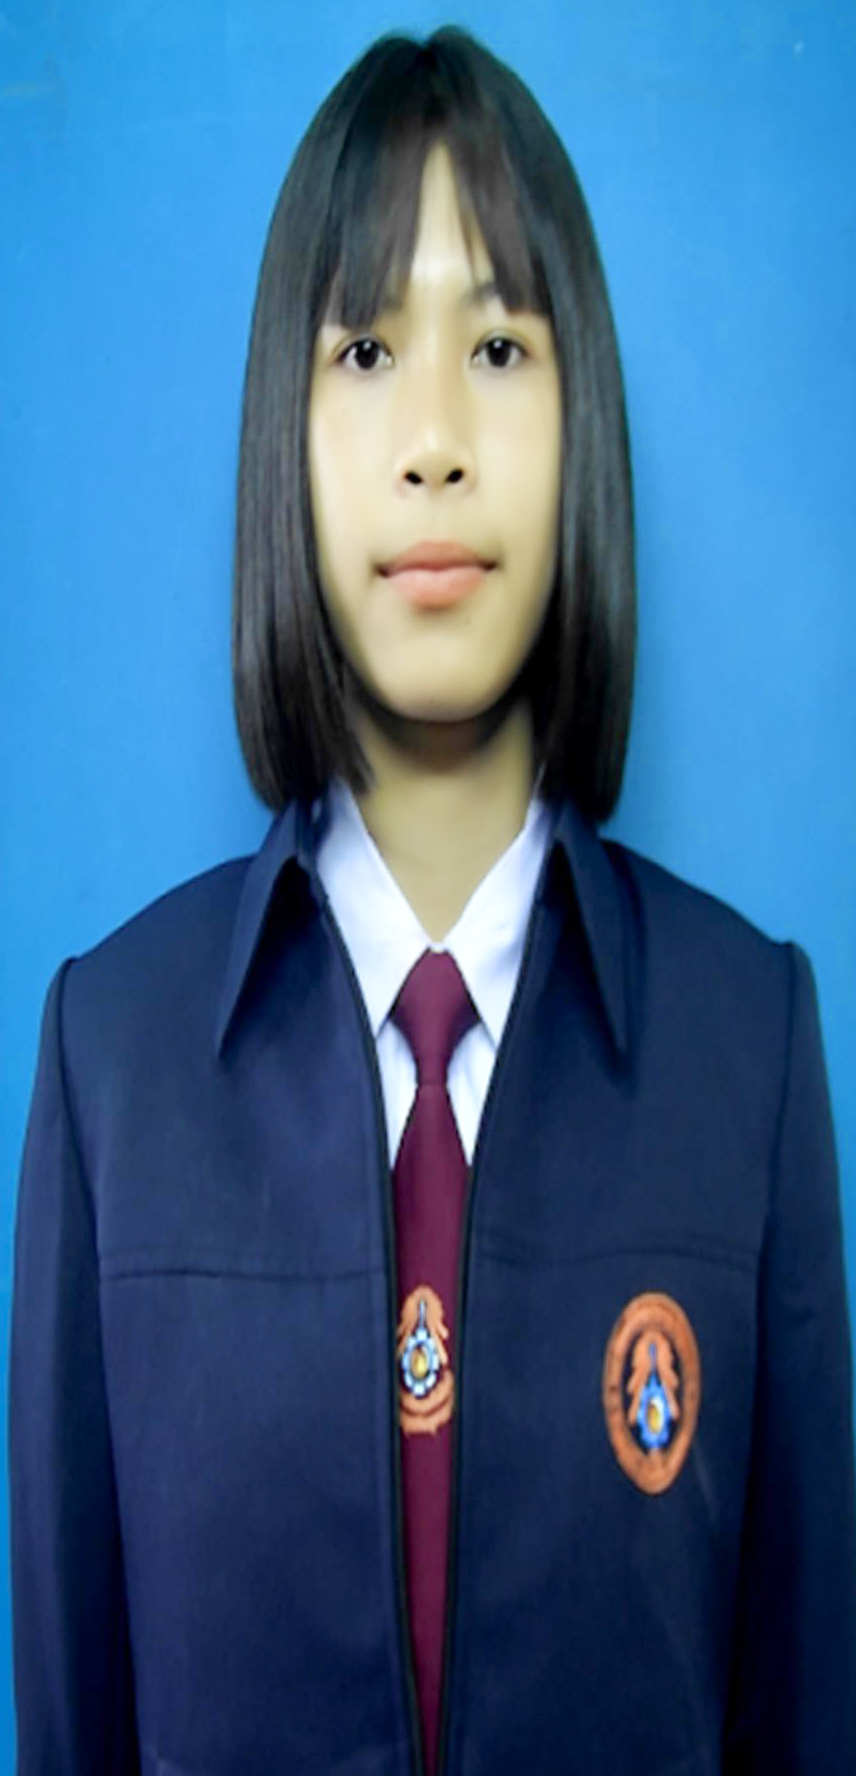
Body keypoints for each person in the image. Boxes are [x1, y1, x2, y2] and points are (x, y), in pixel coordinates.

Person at [9, 24, 856, 1776]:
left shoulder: (748, 1041)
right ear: (287, 431)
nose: (436, 443)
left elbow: (804, 1706)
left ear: (581, 414)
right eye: (368, 349)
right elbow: (74, 1716)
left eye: (498, 345)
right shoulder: (115, 1056)